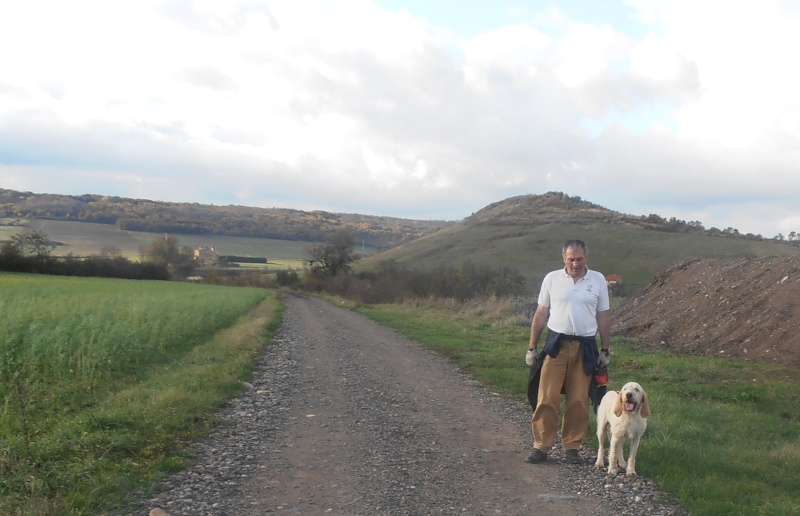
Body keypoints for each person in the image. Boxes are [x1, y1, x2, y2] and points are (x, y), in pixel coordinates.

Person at [525, 239, 611, 464]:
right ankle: (541, 447)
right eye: (571, 259)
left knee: (579, 400)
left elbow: (603, 316)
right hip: (556, 345)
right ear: (564, 258)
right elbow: (541, 313)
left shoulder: (598, 279)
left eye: (580, 259)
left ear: (586, 258)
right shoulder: (552, 278)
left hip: (585, 347)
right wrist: (532, 347)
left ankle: (572, 447)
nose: (575, 263)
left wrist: (605, 350)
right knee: (546, 397)